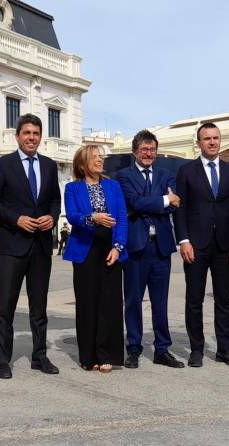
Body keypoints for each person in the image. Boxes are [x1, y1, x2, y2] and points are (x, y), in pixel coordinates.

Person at [0, 113, 61, 379]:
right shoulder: (3, 164)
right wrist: (16, 219)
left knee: (39, 308)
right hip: (12, 246)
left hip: (41, 246)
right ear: (18, 136)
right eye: (27, 133)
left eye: (36, 133)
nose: (32, 138)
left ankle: (39, 356)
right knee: (6, 306)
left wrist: (52, 217)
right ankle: (2, 360)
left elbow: (55, 200)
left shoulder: (50, 166)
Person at [174, 122, 229, 368]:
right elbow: (180, 209)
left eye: (216, 138)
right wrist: (183, 240)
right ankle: (197, 350)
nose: (212, 142)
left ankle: (224, 350)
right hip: (196, 245)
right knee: (194, 300)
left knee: (224, 300)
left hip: (225, 244)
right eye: (207, 138)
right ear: (199, 142)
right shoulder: (186, 171)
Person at [116, 130, 184, 369]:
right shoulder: (123, 175)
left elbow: (175, 205)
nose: (148, 153)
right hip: (136, 248)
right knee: (133, 300)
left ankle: (162, 349)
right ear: (135, 151)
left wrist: (148, 204)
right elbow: (132, 202)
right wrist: (163, 201)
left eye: (152, 150)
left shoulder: (167, 175)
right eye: (144, 149)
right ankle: (133, 348)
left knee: (160, 302)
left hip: (161, 248)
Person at [62, 145, 128, 372]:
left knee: (109, 303)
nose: (100, 160)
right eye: (94, 157)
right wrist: (93, 218)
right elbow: (72, 216)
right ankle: (89, 356)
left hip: (110, 247)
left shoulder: (113, 185)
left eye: (101, 157)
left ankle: (107, 353)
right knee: (87, 302)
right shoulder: (72, 188)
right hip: (85, 249)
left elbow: (121, 218)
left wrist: (118, 247)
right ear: (82, 164)